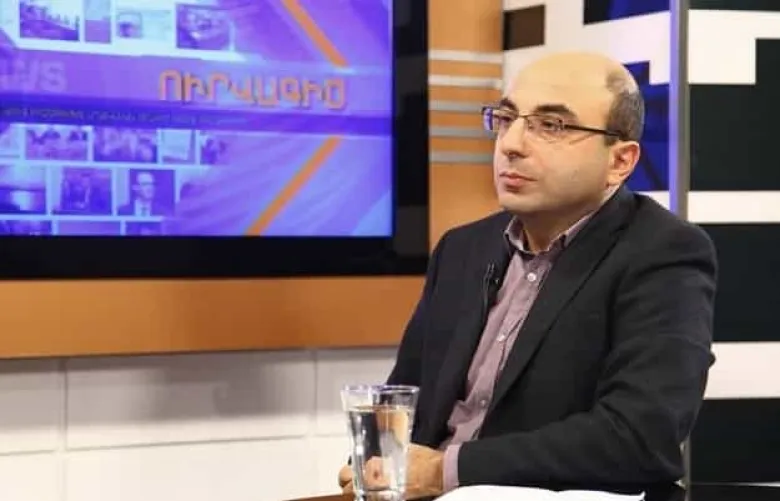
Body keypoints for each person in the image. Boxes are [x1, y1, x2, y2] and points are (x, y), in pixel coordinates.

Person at [338, 51, 718, 498]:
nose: (511, 144)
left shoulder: (662, 252)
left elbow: (639, 437)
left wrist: (445, 470)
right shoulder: (462, 249)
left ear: (620, 161)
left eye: (551, 125)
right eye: (506, 118)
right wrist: (378, 465)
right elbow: (407, 403)